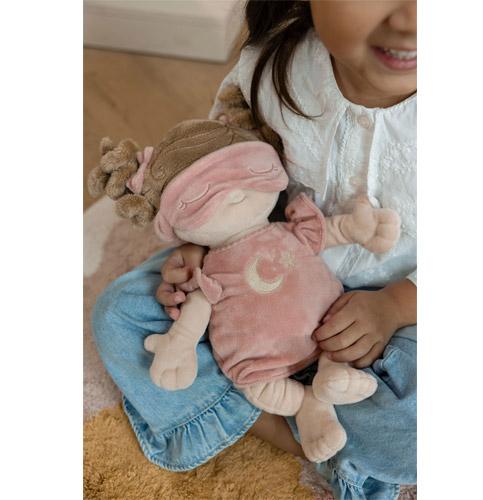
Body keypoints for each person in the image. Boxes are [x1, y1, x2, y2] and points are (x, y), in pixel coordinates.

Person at [91, 1, 417, 498]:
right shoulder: (272, 64)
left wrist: (396, 305)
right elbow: (221, 167)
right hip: (262, 261)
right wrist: (198, 247)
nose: (411, 20)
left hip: (398, 308)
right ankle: (303, 424)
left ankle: (298, 415)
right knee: (120, 315)